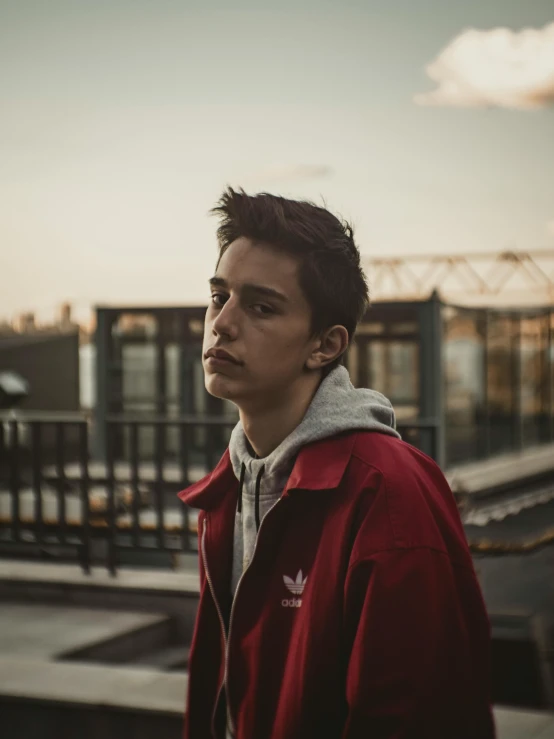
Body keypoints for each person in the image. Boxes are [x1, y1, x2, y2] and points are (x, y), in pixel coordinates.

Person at [178, 188, 495, 739]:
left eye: (260, 307)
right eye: (217, 296)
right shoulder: (232, 489)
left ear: (325, 345)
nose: (222, 323)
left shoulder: (389, 494)